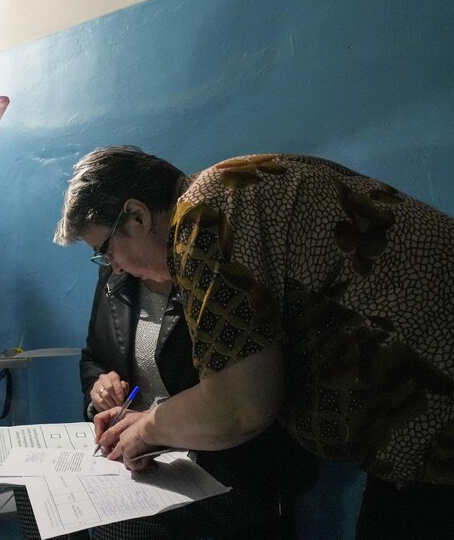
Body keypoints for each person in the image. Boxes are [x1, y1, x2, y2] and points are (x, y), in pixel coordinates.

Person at [54, 146, 454, 539]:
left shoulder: (204, 216)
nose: (115, 269)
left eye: (105, 252)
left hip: (436, 424)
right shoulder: (237, 188)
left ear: (138, 215)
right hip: (421, 426)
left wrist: (144, 432)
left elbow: (238, 407)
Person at [14, 264, 317, 540]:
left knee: (121, 525)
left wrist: (151, 427)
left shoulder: (209, 277)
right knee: (36, 491)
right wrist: (100, 386)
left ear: (139, 218)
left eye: (108, 246)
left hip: (211, 457)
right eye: (99, 254)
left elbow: (234, 403)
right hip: (133, 448)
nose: (111, 261)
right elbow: (93, 357)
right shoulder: (115, 277)